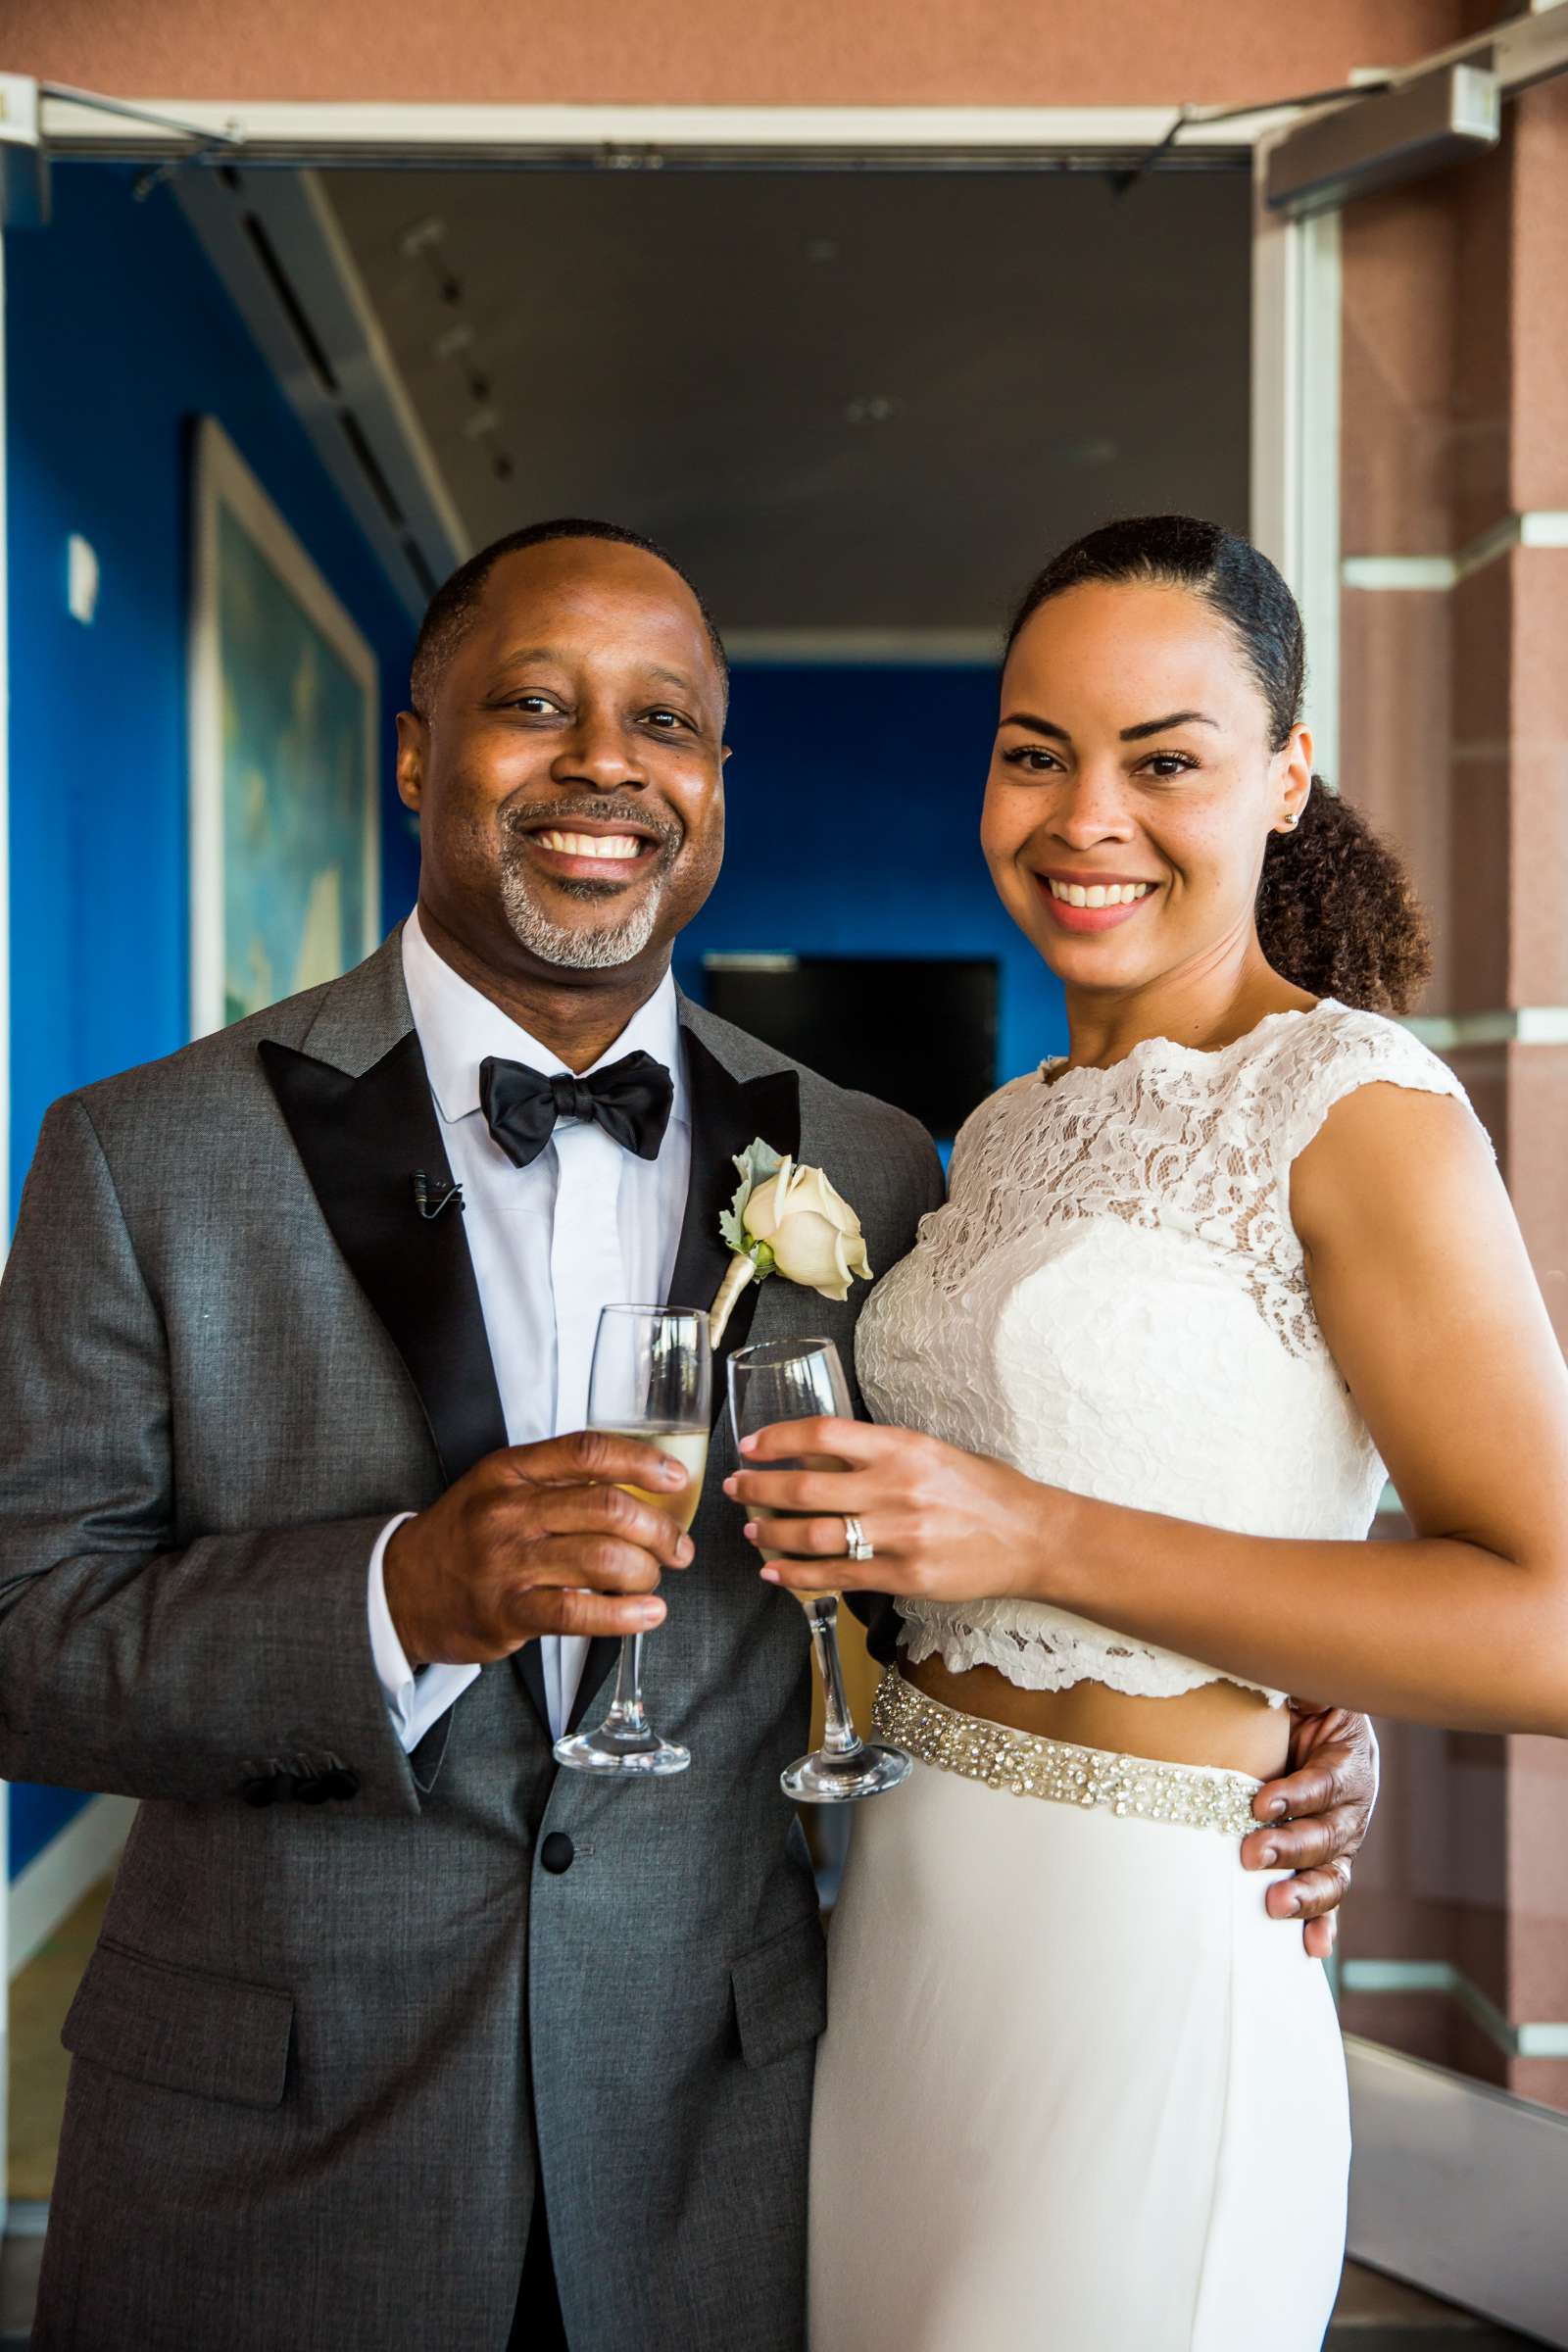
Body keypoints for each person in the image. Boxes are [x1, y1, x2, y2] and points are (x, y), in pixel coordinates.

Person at [0, 519, 1367, 2352]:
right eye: (533, 706)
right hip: (273, 2152)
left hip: (730, 2141)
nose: (603, 767)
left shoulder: (876, 1160)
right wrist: (404, 1595)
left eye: (664, 722)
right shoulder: (139, 1153)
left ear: (716, 784)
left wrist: (1251, 1712)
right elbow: (25, 1648)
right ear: (416, 752)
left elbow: (939, 1569)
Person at [729, 515, 1568, 2352]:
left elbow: (1549, 1620)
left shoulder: (1358, 1110)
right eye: (1038, 752)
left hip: (1151, 1943)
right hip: (914, 1923)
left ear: (1285, 781)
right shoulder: (1011, 1126)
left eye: (1164, 760)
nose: (1084, 815)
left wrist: (1038, 1543)